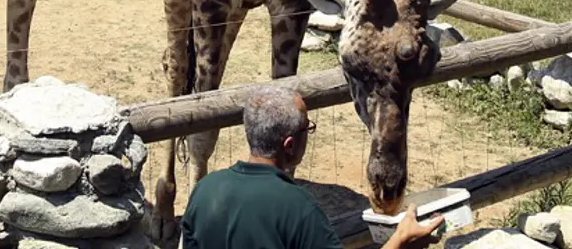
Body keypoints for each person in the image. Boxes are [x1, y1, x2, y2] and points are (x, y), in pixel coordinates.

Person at [180, 86, 444, 249]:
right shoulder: (298, 207)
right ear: (290, 145)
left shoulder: (204, 191)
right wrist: (400, 242)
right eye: (307, 128)